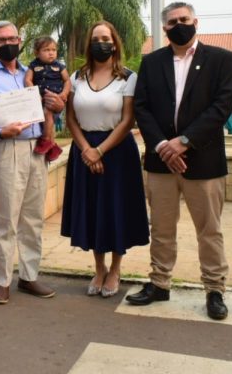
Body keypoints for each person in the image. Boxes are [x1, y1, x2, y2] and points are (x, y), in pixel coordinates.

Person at [129, 1, 232, 321]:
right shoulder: (152, 62)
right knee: (162, 228)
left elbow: (221, 107)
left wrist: (184, 142)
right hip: (161, 160)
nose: (179, 25)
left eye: (184, 19)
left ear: (196, 21)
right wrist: (163, 145)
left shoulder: (220, 59)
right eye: (173, 22)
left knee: (209, 230)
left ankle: (214, 289)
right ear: (164, 28)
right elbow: (142, 107)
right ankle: (159, 283)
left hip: (203, 162)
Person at [0, 20, 65, 305]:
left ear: (20, 41)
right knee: (7, 219)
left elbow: (53, 104)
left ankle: (29, 275)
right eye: (2, 40)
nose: (9, 43)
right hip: (7, 147)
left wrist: (59, 105)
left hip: (37, 148)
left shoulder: (31, 72)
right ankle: (2, 280)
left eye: (13, 38)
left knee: (33, 218)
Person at [61, 21, 149, 297]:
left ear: (114, 43)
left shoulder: (128, 77)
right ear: (89, 44)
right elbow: (70, 118)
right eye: (96, 39)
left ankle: (116, 269)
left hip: (117, 151)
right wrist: (87, 150)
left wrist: (99, 151)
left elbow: (128, 120)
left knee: (115, 210)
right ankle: (99, 269)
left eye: (106, 38)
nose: (101, 43)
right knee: (92, 210)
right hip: (83, 149)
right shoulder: (77, 76)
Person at [24, 36, 70, 161]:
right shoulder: (33, 65)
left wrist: (64, 93)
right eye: (46, 50)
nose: (51, 53)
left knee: (47, 114)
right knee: (46, 121)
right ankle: (53, 147)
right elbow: (27, 80)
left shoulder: (59, 66)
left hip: (55, 99)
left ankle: (45, 140)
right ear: (37, 53)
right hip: (41, 98)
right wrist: (34, 93)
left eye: (53, 50)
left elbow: (67, 81)